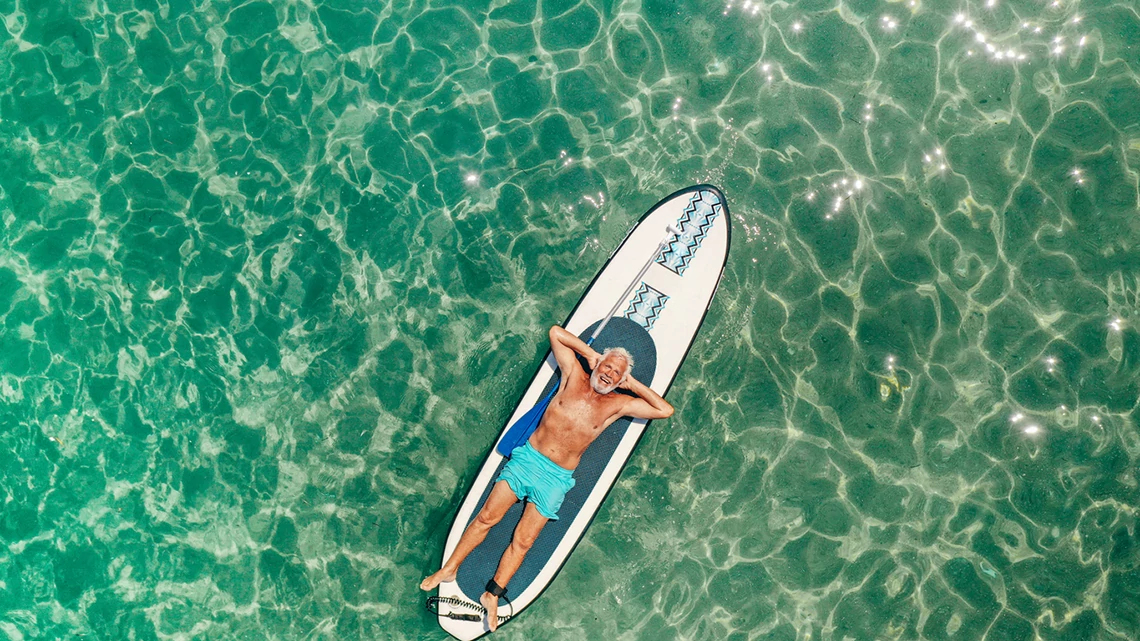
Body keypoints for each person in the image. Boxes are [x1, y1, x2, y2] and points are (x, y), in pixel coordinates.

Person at [420, 325, 674, 630]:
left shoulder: (616, 405)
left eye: (616, 374)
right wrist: (591, 355)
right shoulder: (573, 375)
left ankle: (493, 594)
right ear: (599, 364)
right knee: (487, 518)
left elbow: (664, 409)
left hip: (556, 479)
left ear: (621, 380)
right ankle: (449, 569)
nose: (608, 375)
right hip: (528, 460)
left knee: (524, 541)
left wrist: (632, 383)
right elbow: (556, 333)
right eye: (607, 367)